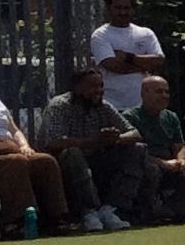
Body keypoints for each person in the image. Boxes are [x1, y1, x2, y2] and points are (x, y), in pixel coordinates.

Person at [38, 68, 147, 232]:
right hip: (64, 166)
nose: (99, 90)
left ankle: (111, 209)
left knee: (138, 149)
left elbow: (135, 133)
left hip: (96, 160)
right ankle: (89, 211)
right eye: (93, 86)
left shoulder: (104, 106)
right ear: (77, 88)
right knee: (72, 153)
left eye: (101, 86)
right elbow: (53, 142)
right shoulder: (59, 105)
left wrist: (115, 138)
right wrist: (93, 142)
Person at [125, 74, 185, 224]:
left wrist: (182, 160)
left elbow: (179, 145)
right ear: (144, 93)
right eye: (159, 91)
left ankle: (172, 209)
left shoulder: (171, 117)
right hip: (146, 166)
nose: (164, 96)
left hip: (171, 165)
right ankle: (148, 212)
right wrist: (163, 163)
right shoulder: (131, 117)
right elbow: (134, 153)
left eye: (166, 92)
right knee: (152, 170)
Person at [0, 91, 72, 236]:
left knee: (45, 161)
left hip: (9, 146)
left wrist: (24, 145)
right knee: (15, 162)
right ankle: (16, 221)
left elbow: (14, 130)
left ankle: (56, 218)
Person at [89, 0, 165, 116]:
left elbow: (159, 61)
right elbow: (113, 66)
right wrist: (144, 65)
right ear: (109, 9)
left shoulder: (146, 33)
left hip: (143, 105)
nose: (123, 12)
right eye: (118, 8)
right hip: (113, 105)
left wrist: (128, 57)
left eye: (127, 8)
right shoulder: (100, 35)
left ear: (133, 9)